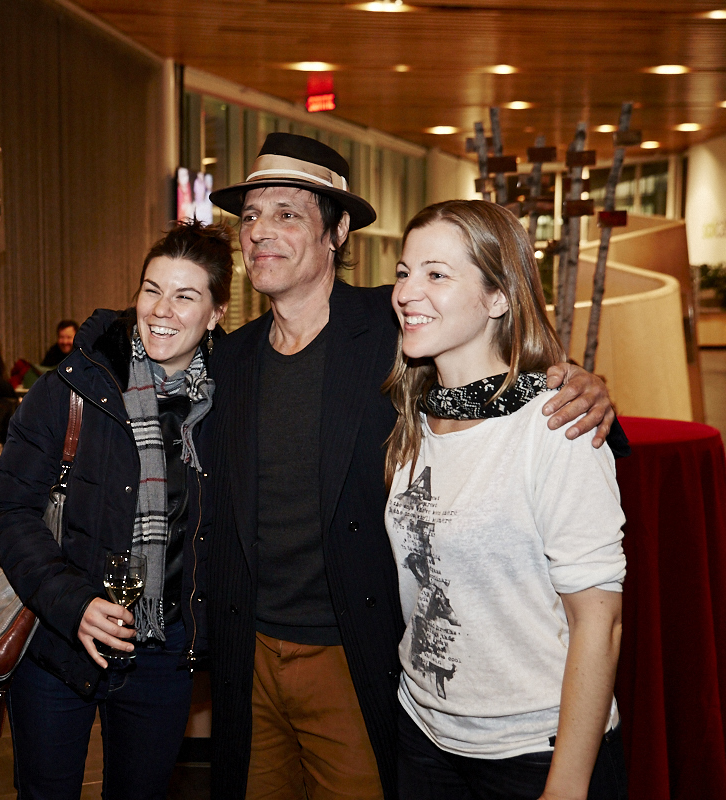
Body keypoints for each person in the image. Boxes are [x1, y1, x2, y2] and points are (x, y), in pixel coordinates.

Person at [201, 133, 620, 800]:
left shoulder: (399, 327)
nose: (260, 233)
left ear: (337, 231)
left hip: (358, 652)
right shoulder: (229, 359)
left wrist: (579, 382)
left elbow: (503, 358)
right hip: (251, 655)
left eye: (286, 214)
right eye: (250, 216)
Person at [384, 200, 626, 799]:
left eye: (437, 274)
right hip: (423, 733)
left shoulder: (556, 425)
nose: (408, 291)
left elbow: (601, 622)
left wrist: (567, 786)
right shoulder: (413, 419)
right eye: (403, 271)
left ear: (498, 298)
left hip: (533, 752)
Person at [0, 221, 232, 799]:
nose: (161, 310)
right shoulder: (71, 387)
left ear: (216, 313)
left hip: (164, 651)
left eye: (185, 295)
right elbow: (9, 509)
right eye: (152, 289)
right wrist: (74, 605)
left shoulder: (226, 405)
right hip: (57, 642)